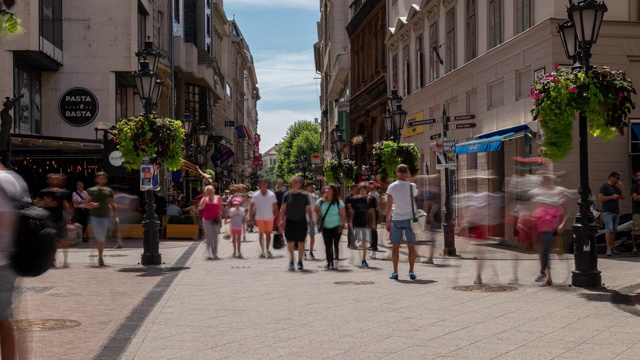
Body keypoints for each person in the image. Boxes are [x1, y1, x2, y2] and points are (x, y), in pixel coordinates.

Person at [0, 163, 29, 360]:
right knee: (4, 317)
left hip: (1, 260)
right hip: (10, 258)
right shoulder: (14, 179)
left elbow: (5, 219)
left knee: (3, 319)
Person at [529, 173, 569, 286]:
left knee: (545, 251)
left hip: (550, 228)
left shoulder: (555, 193)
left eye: (545, 179)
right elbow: (534, 208)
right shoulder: (539, 192)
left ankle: (547, 276)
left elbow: (564, 210)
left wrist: (562, 224)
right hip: (540, 226)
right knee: (542, 251)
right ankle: (544, 273)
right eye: (542, 178)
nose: (543, 180)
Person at [386, 164, 418, 280]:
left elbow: (389, 205)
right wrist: (408, 179)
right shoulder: (412, 186)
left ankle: (395, 272)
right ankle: (411, 271)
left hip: (397, 218)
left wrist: (387, 221)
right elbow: (415, 195)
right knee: (411, 246)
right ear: (406, 173)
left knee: (395, 246)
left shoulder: (391, 187)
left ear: (396, 172)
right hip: (410, 219)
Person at [35, 173, 72, 268]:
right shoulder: (43, 192)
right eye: (53, 179)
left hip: (59, 219)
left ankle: (65, 261)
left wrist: (69, 218)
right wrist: (45, 203)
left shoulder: (62, 192)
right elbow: (36, 203)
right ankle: (52, 259)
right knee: (50, 241)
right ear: (49, 180)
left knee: (63, 241)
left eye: (56, 179)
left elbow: (66, 205)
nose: (55, 180)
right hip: (47, 219)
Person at [83, 172, 118, 267]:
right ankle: (100, 258)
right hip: (95, 218)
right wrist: (92, 205)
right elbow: (86, 204)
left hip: (105, 217)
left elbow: (113, 204)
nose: (101, 180)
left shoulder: (108, 191)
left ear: (106, 180)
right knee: (101, 239)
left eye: (103, 178)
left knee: (101, 239)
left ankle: (98, 251)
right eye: (100, 178)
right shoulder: (92, 191)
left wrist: (115, 216)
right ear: (97, 180)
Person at [279, 176, 313, 271]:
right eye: (293, 182)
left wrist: (310, 220)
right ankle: (291, 259)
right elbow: (283, 208)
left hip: (301, 221)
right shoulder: (287, 195)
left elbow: (308, 209)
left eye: (296, 183)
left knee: (301, 241)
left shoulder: (304, 196)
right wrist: (281, 220)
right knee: (290, 242)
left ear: (300, 184)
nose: (294, 184)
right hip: (290, 220)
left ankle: (300, 261)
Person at [316, 183, 347, 270]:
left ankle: (336, 261)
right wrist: (319, 218)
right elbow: (316, 210)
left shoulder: (339, 203)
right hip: (326, 227)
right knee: (327, 245)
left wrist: (342, 225)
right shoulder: (320, 202)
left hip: (336, 226)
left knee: (336, 244)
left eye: (328, 189)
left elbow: (343, 215)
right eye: (326, 189)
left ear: (333, 191)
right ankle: (329, 261)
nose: (326, 190)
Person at [248, 178, 278, 258]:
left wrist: (278, 217)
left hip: (269, 217)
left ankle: (267, 250)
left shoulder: (271, 194)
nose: (263, 185)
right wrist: (249, 215)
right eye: (261, 184)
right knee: (261, 234)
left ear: (267, 185)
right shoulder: (256, 195)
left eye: (264, 184)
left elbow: (275, 207)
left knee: (268, 234)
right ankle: (262, 251)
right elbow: (251, 206)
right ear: (259, 185)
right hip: (260, 217)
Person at [598, 171, 625, 256]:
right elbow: (600, 197)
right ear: (612, 177)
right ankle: (608, 248)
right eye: (617, 178)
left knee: (613, 231)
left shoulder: (616, 188)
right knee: (609, 230)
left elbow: (623, 197)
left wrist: (621, 188)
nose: (618, 180)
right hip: (607, 211)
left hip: (616, 211)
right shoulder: (604, 186)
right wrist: (611, 197)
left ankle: (612, 247)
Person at [198, 186, 225, 260]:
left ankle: (215, 253)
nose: (209, 193)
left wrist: (226, 217)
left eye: (210, 192)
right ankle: (209, 253)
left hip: (216, 219)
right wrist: (204, 199)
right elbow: (200, 207)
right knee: (209, 236)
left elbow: (221, 208)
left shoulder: (217, 198)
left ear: (213, 191)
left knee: (215, 237)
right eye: (207, 192)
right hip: (207, 220)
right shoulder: (204, 199)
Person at [349, 182, 373, 267]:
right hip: (356, 221)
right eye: (361, 189)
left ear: (367, 191)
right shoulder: (354, 199)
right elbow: (353, 211)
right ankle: (359, 258)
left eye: (364, 189)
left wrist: (373, 222)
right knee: (358, 242)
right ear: (359, 190)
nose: (363, 191)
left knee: (364, 242)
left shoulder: (369, 199)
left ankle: (364, 259)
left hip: (365, 222)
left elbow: (371, 211)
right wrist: (350, 222)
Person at [305, 181, 319, 260]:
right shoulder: (304, 196)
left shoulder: (316, 197)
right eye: (311, 186)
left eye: (313, 187)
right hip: (304, 219)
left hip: (313, 219)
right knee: (304, 236)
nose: (313, 188)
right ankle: (303, 251)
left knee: (312, 236)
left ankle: (311, 251)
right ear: (306, 187)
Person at [368, 181, 380, 252]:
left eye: (371, 185)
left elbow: (377, 205)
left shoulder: (375, 194)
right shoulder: (370, 193)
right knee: (371, 229)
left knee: (373, 228)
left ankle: (374, 245)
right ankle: (372, 244)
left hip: (374, 212)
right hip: (371, 212)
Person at [344, 184, 358, 249]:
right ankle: (352, 243)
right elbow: (349, 207)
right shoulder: (349, 197)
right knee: (351, 229)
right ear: (351, 189)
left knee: (352, 229)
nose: (356, 190)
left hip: (353, 214)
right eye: (355, 189)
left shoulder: (354, 196)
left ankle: (351, 243)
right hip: (350, 214)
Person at [632, 170, 640, 255]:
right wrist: (637, 197)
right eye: (637, 175)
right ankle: (634, 247)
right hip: (637, 212)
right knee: (635, 230)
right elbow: (635, 198)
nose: (638, 177)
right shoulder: (634, 186)